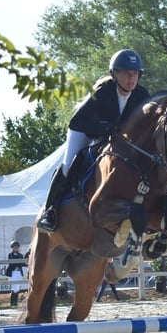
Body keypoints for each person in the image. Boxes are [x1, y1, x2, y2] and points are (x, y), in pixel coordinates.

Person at [37, 49, 150, 233]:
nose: (132, 78)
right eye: (127, 73)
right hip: (85, 132)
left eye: (135, 73)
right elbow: (77, 122)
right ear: (115, 74)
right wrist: (106, 128)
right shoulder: (103, 93)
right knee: (69, 164)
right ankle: (50, 211)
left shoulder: (142, 95)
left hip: (117, 141)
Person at [5, 241, 27, 306]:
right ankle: (12, 302)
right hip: (13, 272)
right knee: (14, 287)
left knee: (17, 288)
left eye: (17, 247)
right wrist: (18, 263)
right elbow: (12, 263)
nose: (16, 248)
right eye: (14, 247)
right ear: (12, 248)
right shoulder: (10, 255)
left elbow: (22, 263)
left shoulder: (20, 255)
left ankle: (15, 302)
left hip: (18, 272)